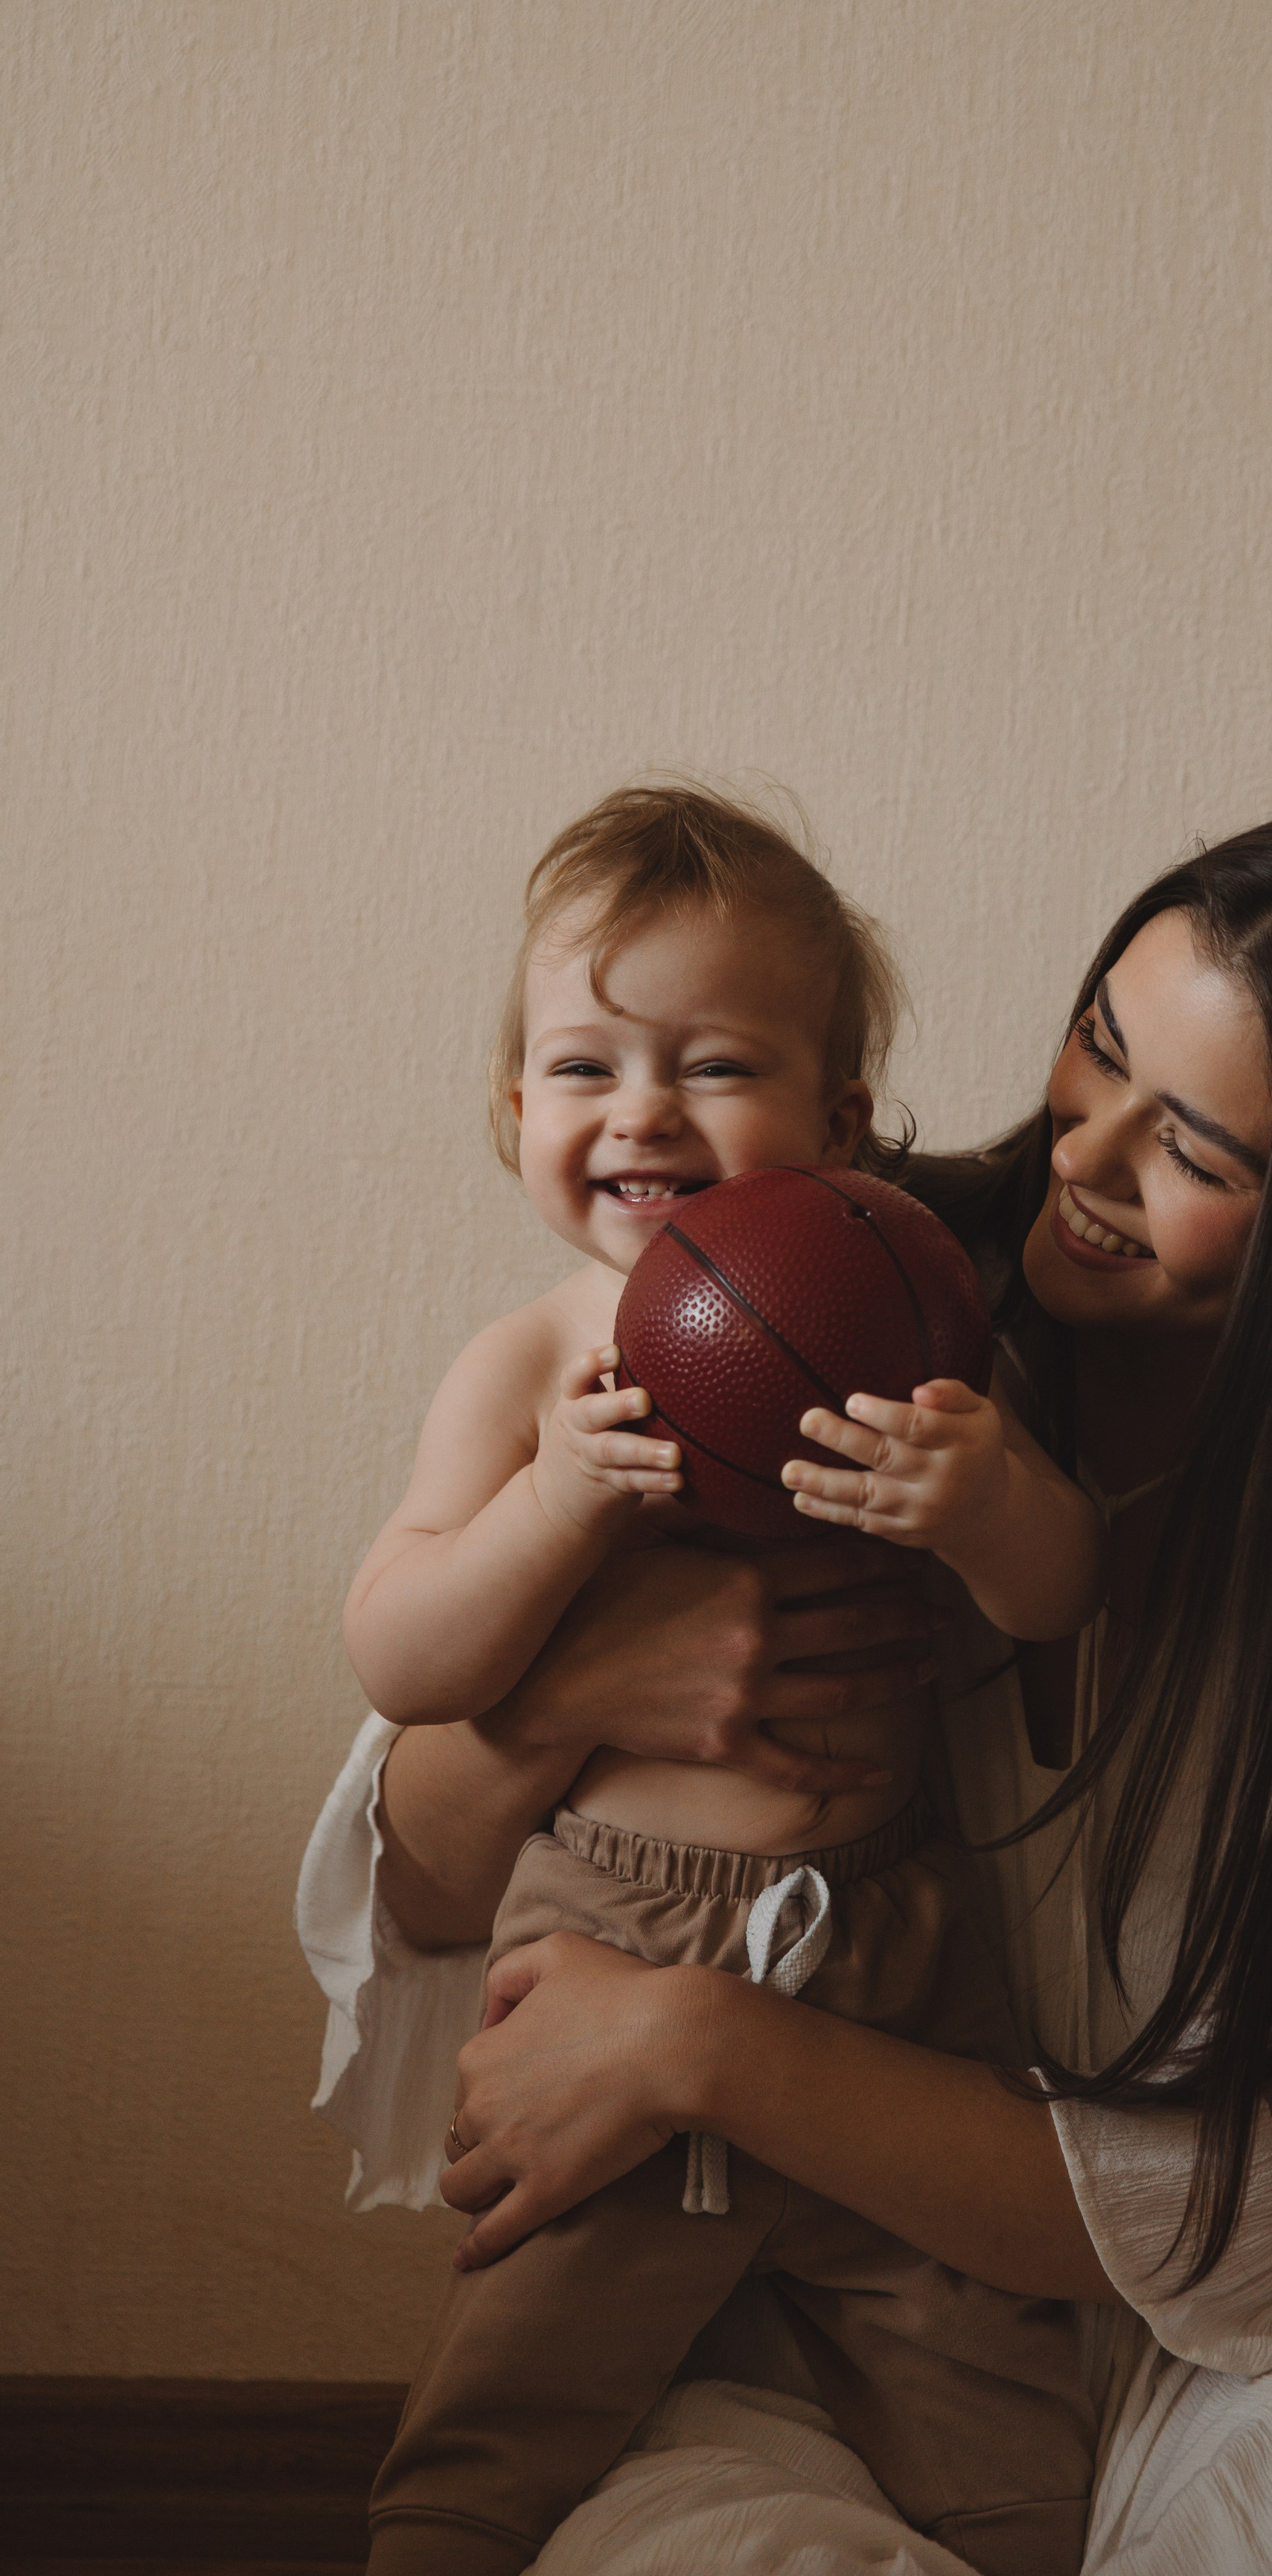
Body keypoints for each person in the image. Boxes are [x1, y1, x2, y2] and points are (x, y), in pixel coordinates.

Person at [301, 800, 1272, 2576]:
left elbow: (1251, 2213)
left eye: (1195, 1149)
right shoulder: (822, 1289)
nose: (1080, 1156)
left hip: (1202, 2342)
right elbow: (415, 1870)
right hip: (743, 2309)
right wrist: (582, 1696)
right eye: (1096, 1046)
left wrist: (705, 2041)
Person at [345, 782, 1105, 2576]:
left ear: (842, 1122)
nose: (643, 1113)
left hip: (894, 1955)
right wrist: (555, 1506)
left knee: (1011, 2456)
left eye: (712, 1065)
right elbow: (399, 1649)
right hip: (622, 1938)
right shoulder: (536, 1364)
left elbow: (1064, 1596)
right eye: (588, 1066)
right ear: (515, 1110)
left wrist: (984, 1504)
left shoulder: (903, 1321)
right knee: (498, 2428)